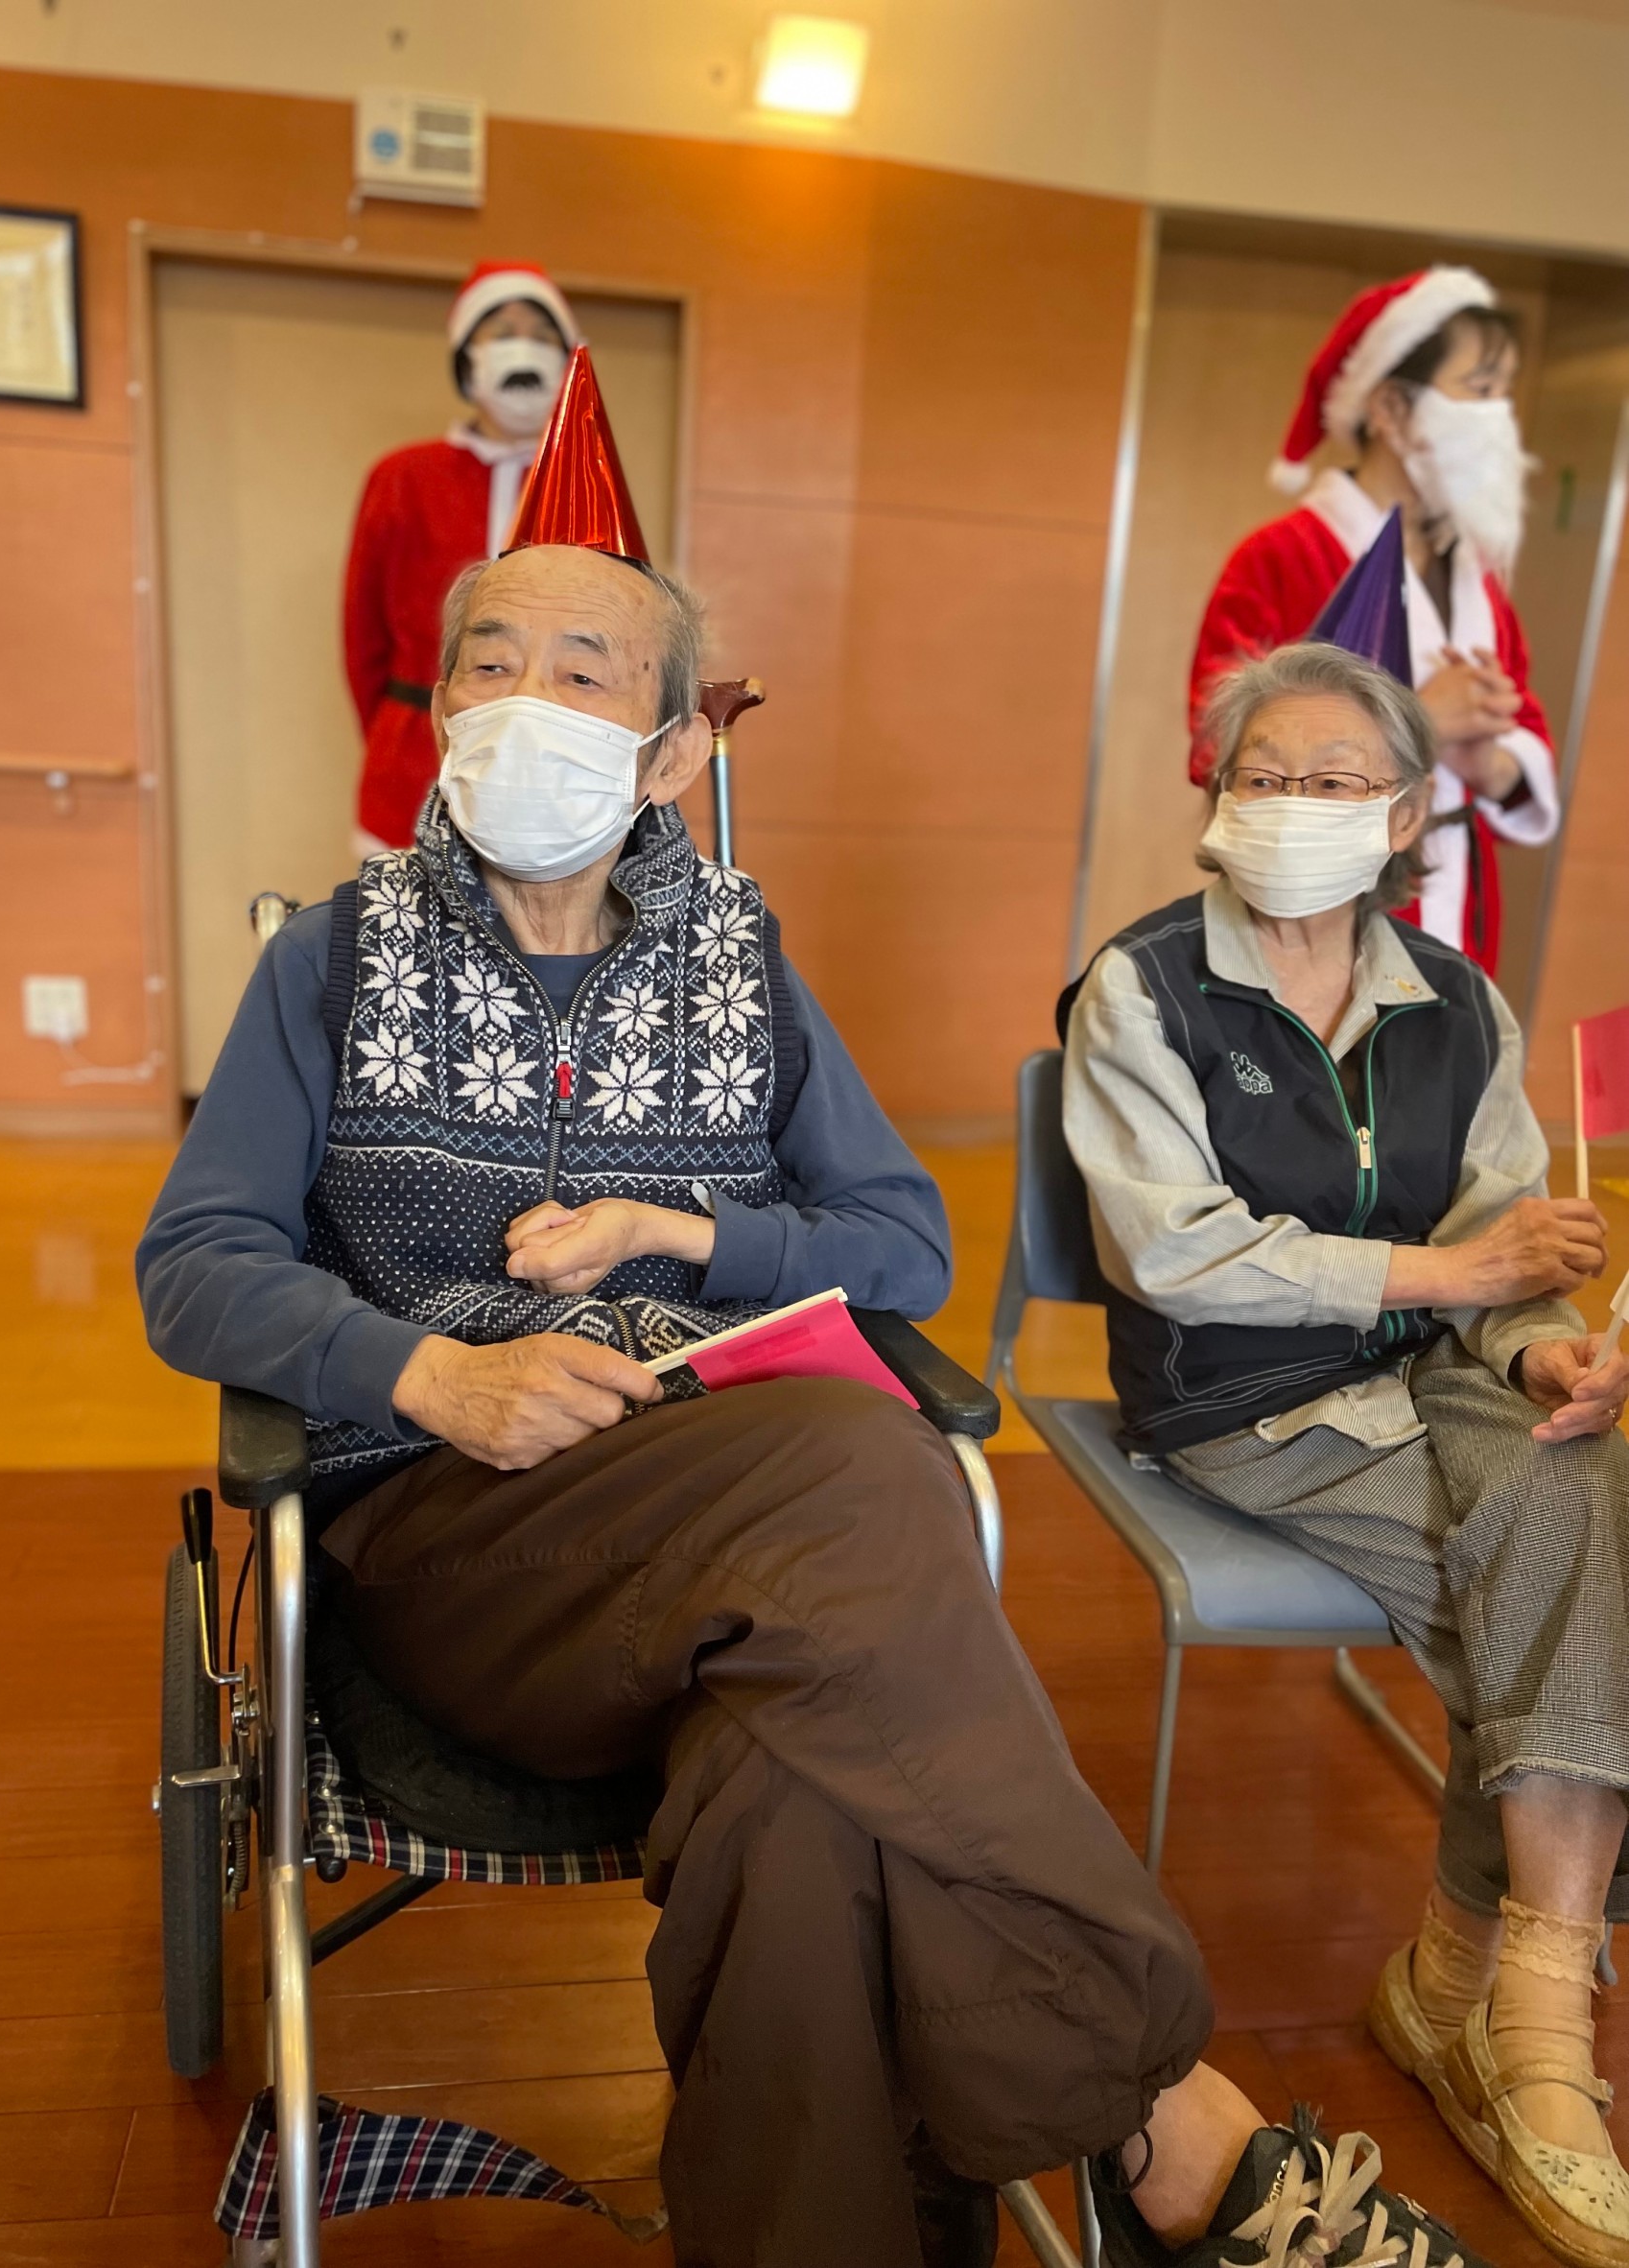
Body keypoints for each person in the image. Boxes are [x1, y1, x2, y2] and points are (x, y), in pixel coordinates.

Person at [139, 353, 1487, 2268]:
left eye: (580, 673)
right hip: (465, 1539)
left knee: (793, 1802)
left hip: (752, 1554)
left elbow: (898, 1241)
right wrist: (426, 1370)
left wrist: (684, 1236)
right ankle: (1165, 2119)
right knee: (872, 1474)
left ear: (667, 755)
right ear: (436, 715)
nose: (518, 703)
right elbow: (192, 1265)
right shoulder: (334, 960)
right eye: (484, 664)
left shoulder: (739, 961)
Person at [1065, 628, 1629, 2268]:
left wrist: (1535, 1343)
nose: (1295, 801)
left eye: (1337, 779)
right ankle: (1517, 2012)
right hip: (1248, 1399)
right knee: (1561, 1596)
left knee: (1579, 1479)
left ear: (1402, 818)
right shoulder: (1142, 986)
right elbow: (1170, 1253)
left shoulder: (1456, 1000)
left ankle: (1471, 1983)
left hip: (1439, 1369)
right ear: (1213, 797)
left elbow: (1500, 1233)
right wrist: (1459, 1279)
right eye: (1266, 773)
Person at [1188, 268, 1560, 976]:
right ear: (1389, 407)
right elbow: (1220, 747)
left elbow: (1524, 732)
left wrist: (1489, 762)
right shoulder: (1280, 558)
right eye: (1480, 389)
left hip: (1457, 899)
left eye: (1506, 392)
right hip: (1322, 915)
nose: (1501, 419)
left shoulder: (1476, 577)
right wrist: (1421, 723)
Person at [342, 260, 579, 853]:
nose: (523, 347)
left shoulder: (584, 484)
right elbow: (362, 636)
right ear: (467, 356)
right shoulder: (403, 477)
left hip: (548, 772)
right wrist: (397, 735)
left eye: (541, 334)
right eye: (502, 332)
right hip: (412, 766)